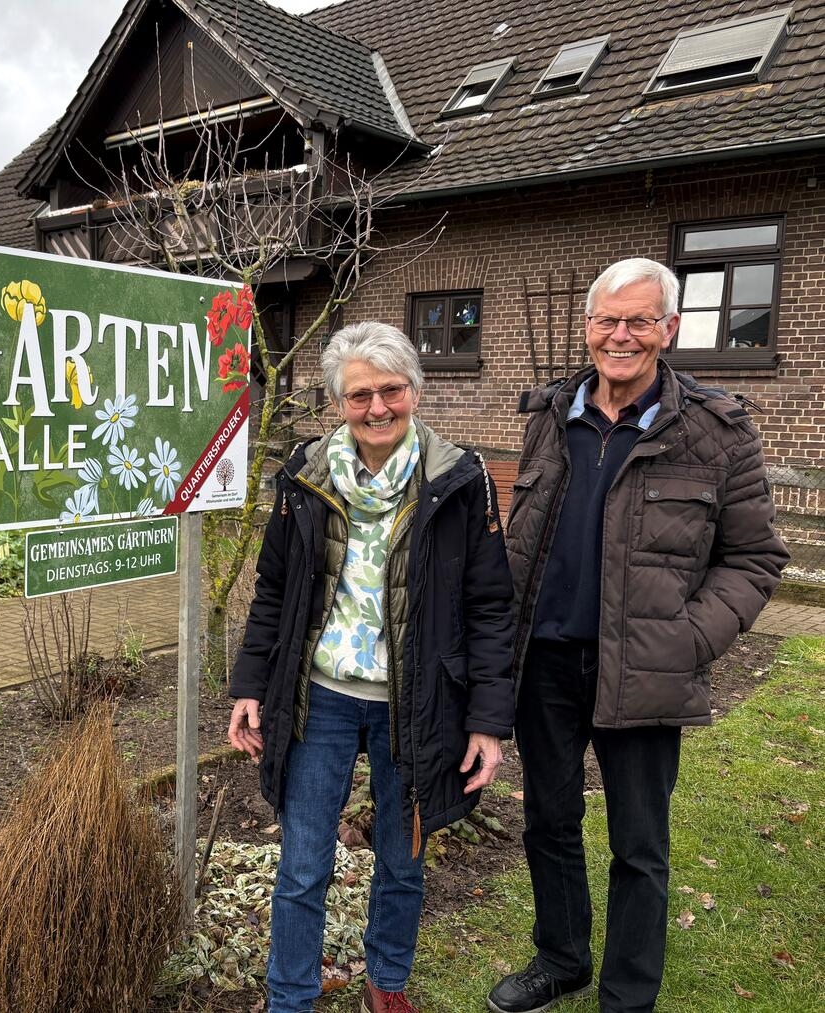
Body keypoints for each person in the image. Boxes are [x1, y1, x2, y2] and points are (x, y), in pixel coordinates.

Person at [488, 257, 788, 1013]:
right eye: (607, 320)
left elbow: (754, 558)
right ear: (588, 328)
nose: (620, 335)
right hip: (547, 662)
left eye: (639, 320)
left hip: (647, 670)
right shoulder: (551, 416)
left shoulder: (716, 433)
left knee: (639, 845)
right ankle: (560, 957)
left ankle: (628, 992)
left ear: (668, 329)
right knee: (549, 820)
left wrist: (689, 638)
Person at [228, 321, 515, 1013]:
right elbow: (275, 590)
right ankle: (289, 998)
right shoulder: (305, 475)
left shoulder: (459, 477)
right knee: (302, 866)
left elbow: (490, 608)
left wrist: (487, 719)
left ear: (415, 390)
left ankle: (385, 984)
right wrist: (247, 684)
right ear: (339, 401)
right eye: (361, 395)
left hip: (416, 702)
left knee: (402, 858)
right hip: (317, 698)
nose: (378, 407)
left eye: (391, 390)